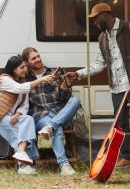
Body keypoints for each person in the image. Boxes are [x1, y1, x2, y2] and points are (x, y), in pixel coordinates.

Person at [64, 2, 130, 168]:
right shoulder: (102, 37)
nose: (95, 23)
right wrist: (78, 74)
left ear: (105, 15)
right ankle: (126, 156)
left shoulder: (127, 27)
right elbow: (99, 64)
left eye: (96, 19)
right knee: (120, 123)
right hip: (116, 86)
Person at [0, 55, 55, 175]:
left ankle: (21, 153)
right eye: (22, 67)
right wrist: (42, 79)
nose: (25, 69)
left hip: (9, 117)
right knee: (18, 132)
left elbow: (25, 105)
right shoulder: (4, 79)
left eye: (25, 67)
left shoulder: (23, 83)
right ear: (14, 70)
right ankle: (23, 166)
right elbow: (19, 88)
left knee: (27, 119)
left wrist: (18, 113)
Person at [23, 47, 81, 176]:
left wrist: (64, 89)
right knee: (56, 128)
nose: (38, 59)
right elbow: (10, 85)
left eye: (38, 56)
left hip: (58, 112)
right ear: (27, 62)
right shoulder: (25, 78)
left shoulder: (54, 73)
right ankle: (64, 165)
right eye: (34, 58)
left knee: (75, 100)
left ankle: (51, 125)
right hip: (40, 116)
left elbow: (64, 99)